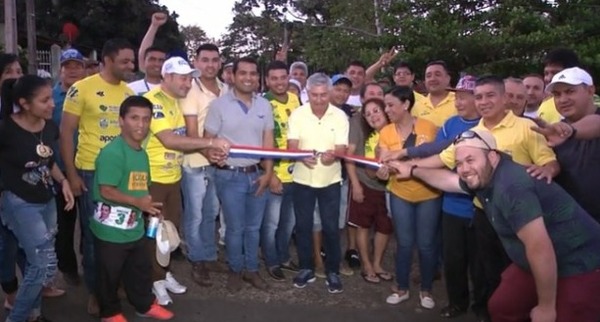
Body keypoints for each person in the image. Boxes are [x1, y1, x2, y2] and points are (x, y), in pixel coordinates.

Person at [389, 128, 600, 322]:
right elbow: (450, 181)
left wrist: (546, 307)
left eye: (470, 159)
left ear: (492, 155)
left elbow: (539, 247)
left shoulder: (511, 186)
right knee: (502, 306)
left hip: (580, 263)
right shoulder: (486, 174)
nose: (464, 169)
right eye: (459, 163)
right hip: (535, 261)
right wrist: (413, 170)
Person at [143, 56, 229, 305]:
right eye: (183, 77)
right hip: (154, 179)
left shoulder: (177, 101)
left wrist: (209, 153)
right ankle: (154, 281)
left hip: (174, 176)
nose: (188, 81)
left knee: (169, 231)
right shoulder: (154, 102)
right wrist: (211, 143)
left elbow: (187, 139)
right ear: (166, 77)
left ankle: (163, 273)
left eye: (190, 77)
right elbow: (170, 140)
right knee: (154, 233)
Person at [60, 38, 136, 316]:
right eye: (125, 61)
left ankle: (115, 283)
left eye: (132, 60)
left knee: (124, 231)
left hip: (123, 176)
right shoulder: (81, 90)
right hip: (91, 173)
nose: (131, 66)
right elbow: (66, 134)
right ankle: (97, 291)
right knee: (95, 238)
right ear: (107, 60)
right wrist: (72, 175)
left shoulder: (129, 93)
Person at [0, 75, 75, 322]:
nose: (52, 104)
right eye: (44, 101)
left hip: (46, 199)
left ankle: (34, 313)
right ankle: (17, 317)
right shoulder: (6, 130)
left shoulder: (49, 126)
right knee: (40, 263)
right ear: (24, 103)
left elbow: (48, 160)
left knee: (42, 261)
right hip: (18, 202)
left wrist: (63, 181)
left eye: (51, 99)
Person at [92, 95, 174, 322]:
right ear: (121, 120)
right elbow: (106, 190)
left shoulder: (142, 153)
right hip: (110, 230)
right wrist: (139, 203)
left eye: (146, 119)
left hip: (135, 226)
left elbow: (141, 186)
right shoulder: (112, 152)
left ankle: (144, 304)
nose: (141, 124)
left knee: (139, 269)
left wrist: (149, 207)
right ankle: (109, 312)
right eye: (134, 118)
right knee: (109, 274)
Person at [204, 56, 274, 293]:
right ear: (233, 76)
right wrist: (212, 154)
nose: (248, 78)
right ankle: (235, 270)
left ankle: (251, 270)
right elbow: (207, 139)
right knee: (235, 228)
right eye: (243, 73)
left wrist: (268, 173)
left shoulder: (265, 105)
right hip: (229, 176)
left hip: (256, 174)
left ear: (258, 78)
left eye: (253, 73)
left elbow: (268, 143)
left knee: (254, 228)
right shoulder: (219, 105)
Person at [376, 86, 441, 309]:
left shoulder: (429, 128)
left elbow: (439, 158)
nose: (387, 109)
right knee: (404, 244)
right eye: (385, 105)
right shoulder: (385, 132)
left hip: (429, 194)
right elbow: (382, 163)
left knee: (426, 245)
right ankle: (401, 287)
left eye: (391, 105)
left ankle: (426, 290)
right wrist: (382, 171)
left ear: (406, 104)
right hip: (400, 193)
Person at [287, 73, 349, 294]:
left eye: (324, 95)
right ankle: (306, 268)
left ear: (330, 93)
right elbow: (291, 145)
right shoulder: (297, 114)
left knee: (331, 227)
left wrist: (335, 155)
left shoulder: (340, 116)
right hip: (303, 179)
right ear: (308, 93)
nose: (319, 99)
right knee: (303, 227)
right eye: (314, 95)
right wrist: (301, 155)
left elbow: (342, 148)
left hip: (330, 180)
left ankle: (333, 270)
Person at [179, 43, 230, 287]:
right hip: (195, 162)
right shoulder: (191, 90)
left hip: (218, 162)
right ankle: (197, 259)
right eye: (205, 60)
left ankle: (209, 255)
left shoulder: (226, 89)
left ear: (220, 62)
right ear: (196, 62)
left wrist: (218, 156)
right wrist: (209, 153)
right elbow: (191, 132)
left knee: (211, 212)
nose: (210, 64)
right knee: (195, 214)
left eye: (214, 60)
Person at [345, 98, 393, 284]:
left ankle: (378, 264)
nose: (373, 116)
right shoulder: (370, 138)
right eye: (368, 114)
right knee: (363, 225)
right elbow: (370, 173)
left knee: (385, 227)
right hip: (368, 185)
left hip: (391, 190)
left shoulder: (397, 132)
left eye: (376, 110)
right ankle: (367, 265)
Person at [261, 60, 301, 281]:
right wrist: (271, 174)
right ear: (267, 80)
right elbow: (259, 141)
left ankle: (284, 256)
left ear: (288, 78)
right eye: (273, 78)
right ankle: (271, 260)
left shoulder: (296, 100)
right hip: (274, 173)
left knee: (289, 222)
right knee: (271, 223)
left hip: (297, 173)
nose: (278, 82)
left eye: (282, 77)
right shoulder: (262, 103)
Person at [52, 48, 86, 287]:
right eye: (68, 65)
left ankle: (90, 263)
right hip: (60, 170)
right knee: (64, 225)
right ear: (60, 69)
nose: (73, 69)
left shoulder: (92, 95)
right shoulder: (50, 98)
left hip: (90, 168)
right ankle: (68, 267)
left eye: (77, 65)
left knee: (91, 222)